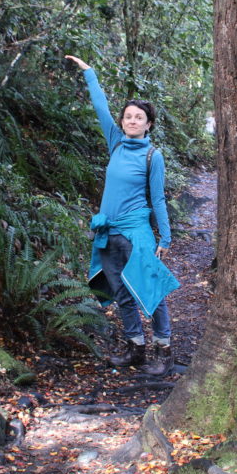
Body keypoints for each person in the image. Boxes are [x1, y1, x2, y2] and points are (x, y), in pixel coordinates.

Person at [65, 55, 179, 375]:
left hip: (137, 233)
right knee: (122, 294)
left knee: (150, 290)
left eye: (138, 117)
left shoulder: (152, 157)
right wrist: (90, 74)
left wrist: (165, 238)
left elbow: (157, 199)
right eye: (128, 116)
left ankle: (164, 350)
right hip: (108, 233)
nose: (131, 120)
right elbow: (100, 107)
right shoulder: (115, 143)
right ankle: (136, 348)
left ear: (148, 124)